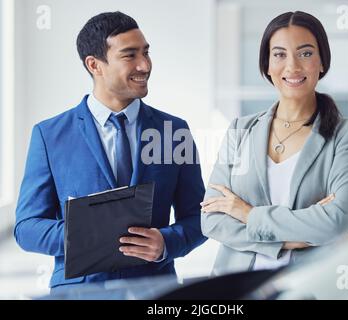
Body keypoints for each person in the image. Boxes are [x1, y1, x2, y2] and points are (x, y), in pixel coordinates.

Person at [15, 11, 206, 292]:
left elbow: (200, 217)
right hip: (80, 292)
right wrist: (85, 234)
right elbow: (26, 228)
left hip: (156, 290)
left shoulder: (174, 131)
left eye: (146, 52)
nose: (144, 65)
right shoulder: (49, 135)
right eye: (130, 55)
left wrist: (167, 242)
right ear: (95, 65)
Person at [201, 11, 348, 275]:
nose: (292, 66)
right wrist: (290, 240)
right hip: (236, 285)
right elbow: (212, 219)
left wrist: (247, 214)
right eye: (279, 54)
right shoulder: (240, 130)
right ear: (267, 65)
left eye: (305, 53)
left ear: (322, 62)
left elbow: (336, 222)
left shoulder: (347, 136)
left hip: (307, 285)